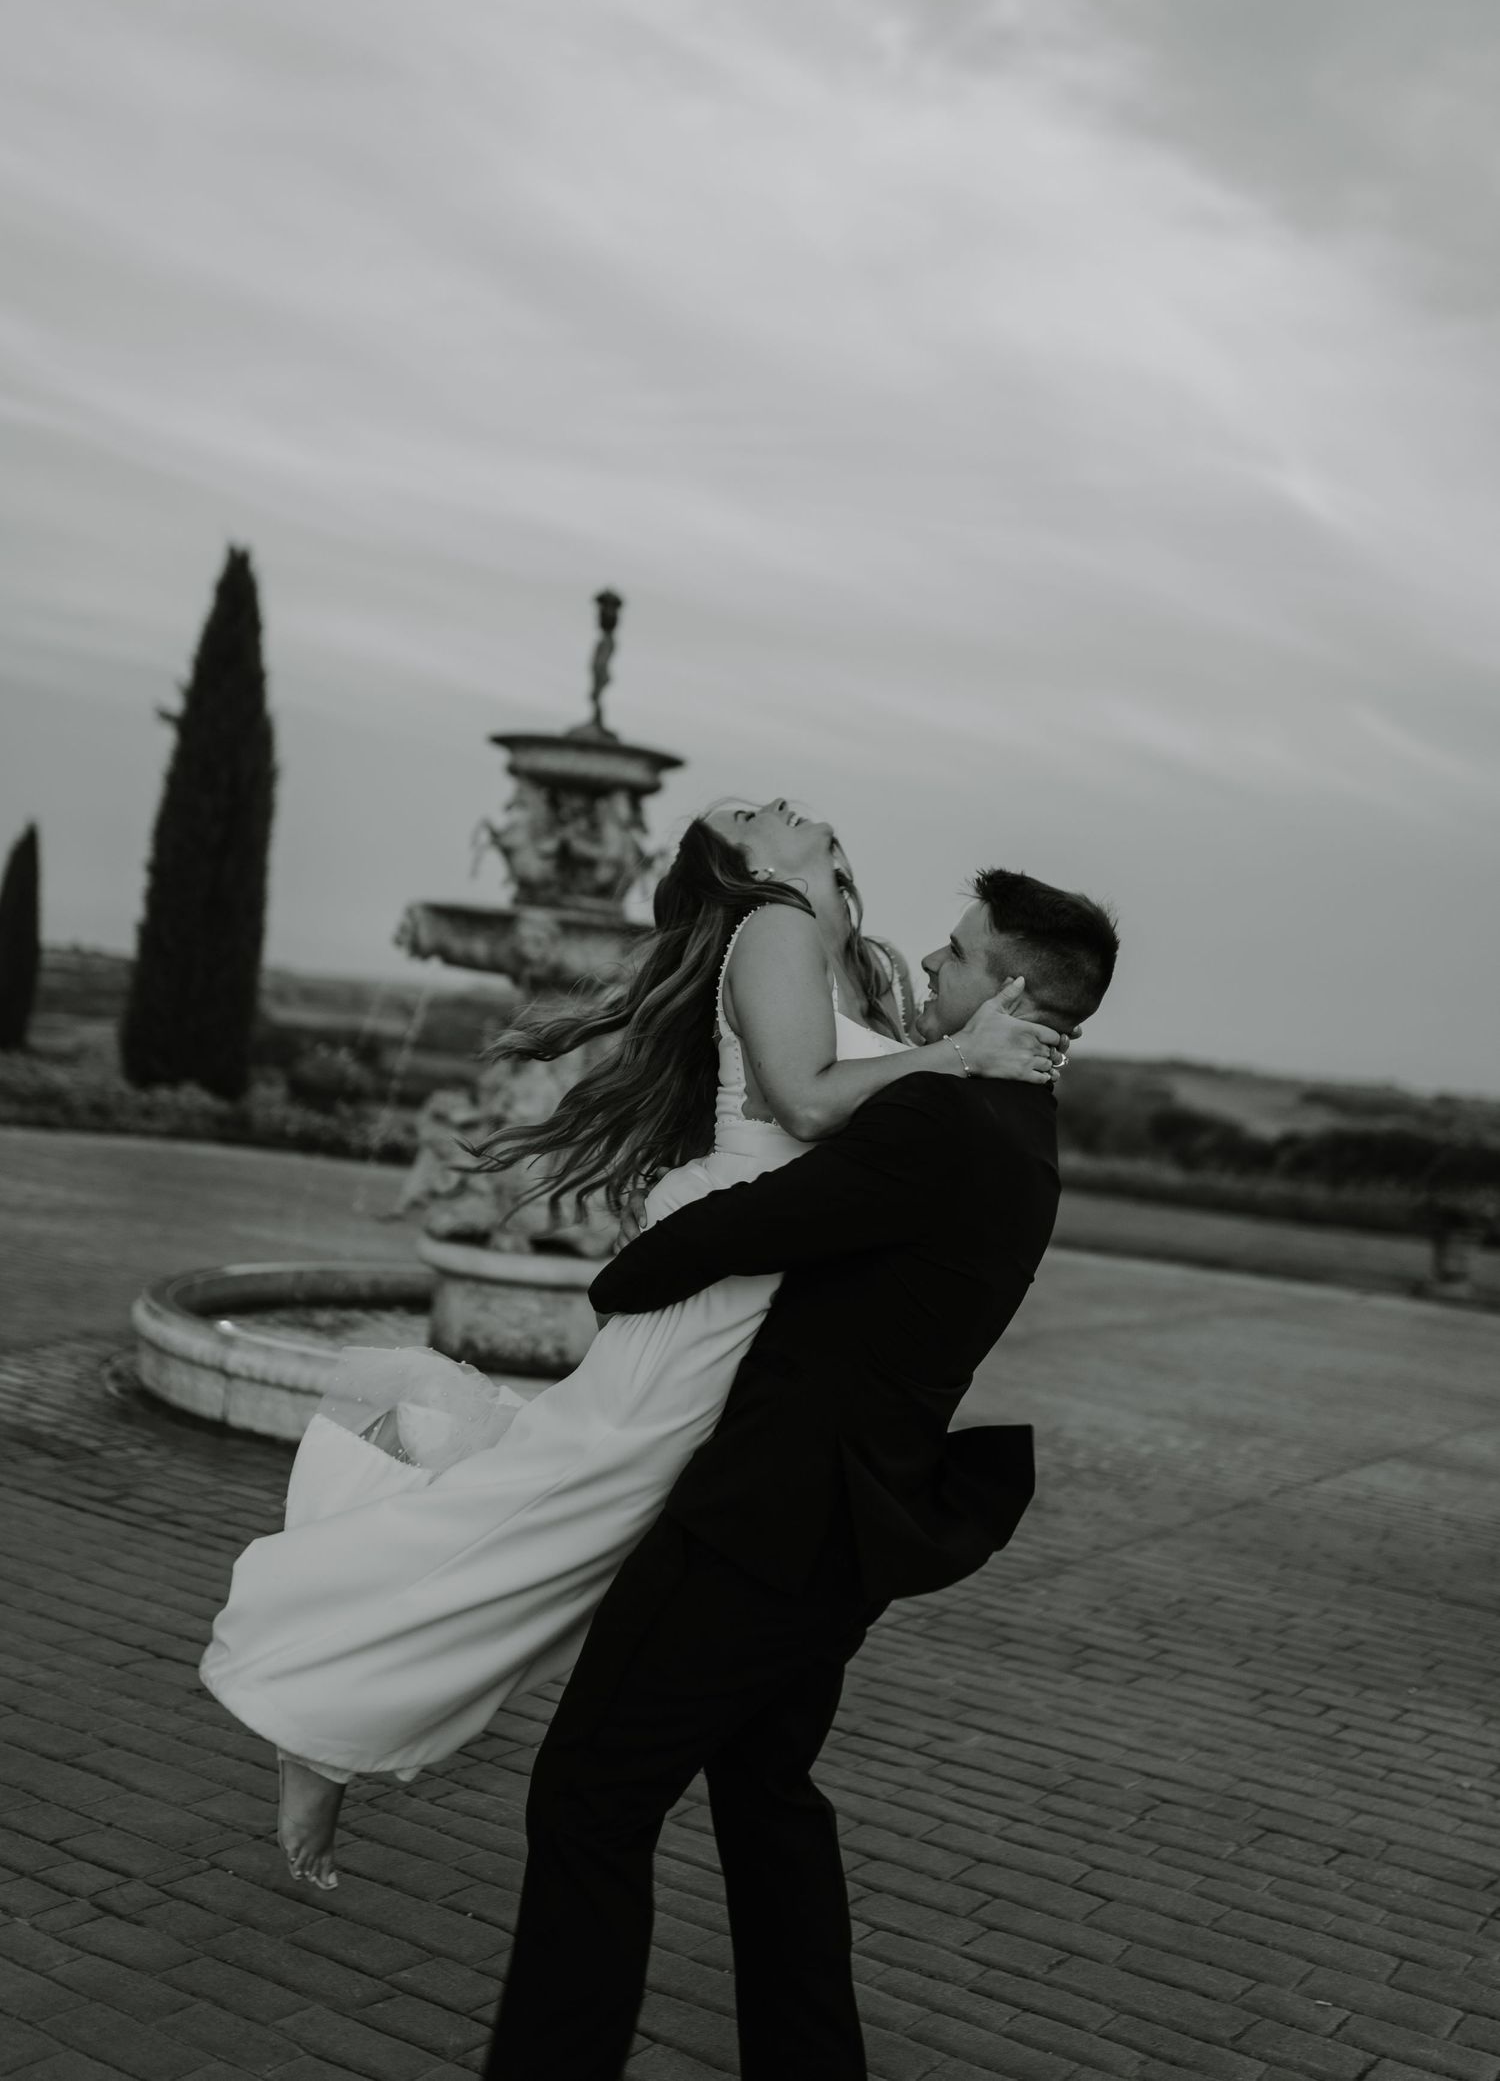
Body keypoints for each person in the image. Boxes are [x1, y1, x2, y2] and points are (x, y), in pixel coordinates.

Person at [200, 803, 1065, 1890]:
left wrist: (967, 1054)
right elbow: (805, 1105)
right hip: (721, 1280)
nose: (774, 805)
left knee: (594, 1528)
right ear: (743, 866)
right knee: (559, 1502)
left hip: (774, 1281)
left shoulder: (870, 965)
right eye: (747, 815)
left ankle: (338, 1710)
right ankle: (314, 1711)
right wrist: (957, 1053)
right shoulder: (776, 927)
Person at [483, 865, 1118, 2081]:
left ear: (1011, 991)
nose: (929, 963)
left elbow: (750, 1225)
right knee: (766, 1796)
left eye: (957, 953)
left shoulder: (942, 1121)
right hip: (851, 1533)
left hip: (760, 1528)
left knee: (587, 1799)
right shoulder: (1024, 1134)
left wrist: (628, 1275)